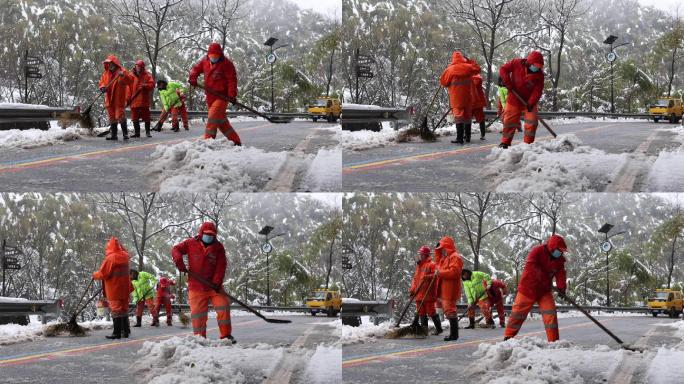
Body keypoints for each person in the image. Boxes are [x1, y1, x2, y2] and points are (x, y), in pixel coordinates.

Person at [172, 221, 235, 343]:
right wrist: (178, 260)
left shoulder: (218, 247)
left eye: (212, 234)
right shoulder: (190, 243)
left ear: (215, 235)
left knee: (223, 307)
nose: (209, 236)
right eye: (207, 234)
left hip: (214, 287)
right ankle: (200, 339)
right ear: (201, 233)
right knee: (198, 315)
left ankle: (226, 336)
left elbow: (221, 266)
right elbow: (176, 249)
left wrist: (216, 282)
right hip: (196, 286)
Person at [504, 234, 568, 342]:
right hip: (528, 289)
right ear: (552, 247)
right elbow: (531, 268)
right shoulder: (537, 251)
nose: (560, 253)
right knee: (517, 314)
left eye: (562, 251)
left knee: (550, 313)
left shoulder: (560, 260)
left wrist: (562, 288)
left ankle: (554, 342)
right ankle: (508, 337)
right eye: (559, 250)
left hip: (544, 291)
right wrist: (544, 278)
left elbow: (561, 273)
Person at [188, 42, 242, 145]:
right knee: (221, 122)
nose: (213, 58)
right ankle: (236, 141)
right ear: (208, 55)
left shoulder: (227, 64)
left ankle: (208, 142)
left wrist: (232, 95)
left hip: (222, 97)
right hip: (210, 96)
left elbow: (232, 80)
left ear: (220, 55)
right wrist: (193, 78)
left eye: (215, 56)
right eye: (211, 56)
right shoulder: (204, 61)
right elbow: (196, 69)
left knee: (212, 118)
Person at [498, 51, 545, 148]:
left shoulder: (540, 75)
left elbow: (537, 91)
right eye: (535, 65)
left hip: (529, 101)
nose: (536, 68)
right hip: (514, 98)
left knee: (532, 122)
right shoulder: (516, 63)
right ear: (529, 62)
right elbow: (503, 69)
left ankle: (528, 144)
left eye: (539, 67)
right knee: (509, 121)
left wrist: (531, 102)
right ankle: (505, 142)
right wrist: (507, 82)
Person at [92, 237, 132, 340]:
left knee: (116, 310)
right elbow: (125, 251)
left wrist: (94, 275)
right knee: (123, 309)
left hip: (114, 288)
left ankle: (116, 332)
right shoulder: (125, 256)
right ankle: (125, 331)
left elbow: (103, 273)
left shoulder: (111, 258)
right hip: (125, 288)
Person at [439, 51, 481, 145]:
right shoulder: (468, 67)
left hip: (456, 98)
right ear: (462, 58)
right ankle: (468, 137)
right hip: (468, 97)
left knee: (459, 117)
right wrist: (470, 61)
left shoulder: (449, 69)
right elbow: (478, 69)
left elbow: (443, 82)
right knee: (467, 117)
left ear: (453, 59)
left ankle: (459, 138)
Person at [434, 236, 463, 341]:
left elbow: (455, 273)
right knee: (448, 310)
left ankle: (454, 335)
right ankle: (453, 334)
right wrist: (437, 250)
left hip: (450, 289)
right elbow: (437, 263)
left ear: (447, 246)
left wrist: (440, 273)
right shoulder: (446, 258)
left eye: (443, 248)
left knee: (450, 310)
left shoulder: (455, 257)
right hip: (445, 288)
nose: (442, 250)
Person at [99, 55, 133, 141]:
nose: (110, 65)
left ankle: (125, 134)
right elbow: (102, 82)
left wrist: (123, 75)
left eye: (111, 63)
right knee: (112, 117)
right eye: (108, 63)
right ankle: (114, 135)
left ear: (115, 63)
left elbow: (130, 81)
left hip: (119, 99)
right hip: (109, 99)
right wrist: (102, 87)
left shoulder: (122, 71)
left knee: (120, 116)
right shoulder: (106, 74)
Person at [409, 245, 441, 335]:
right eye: (419, 254)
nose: (419, 256)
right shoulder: (418, 266)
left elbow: (437, 274)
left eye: (421, 254)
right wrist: (412, 290)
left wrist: (428, 276)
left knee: (431, 312)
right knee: (421, 312)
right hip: (419, 293)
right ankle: (424, 330)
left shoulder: (431, 264)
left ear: (425, 255)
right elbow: (415, 280)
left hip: (428, 293)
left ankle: (439, 329)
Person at [127, 60, 155, 138]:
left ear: (143, 68)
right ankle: (137, 133)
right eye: (137, 66)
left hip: (144, 100)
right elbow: (128, 88)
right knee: (134, 118)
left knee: (146, 117)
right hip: (134, 100)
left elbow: (152, 84)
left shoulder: (147, 75)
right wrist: (128, 99)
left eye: (140, 67)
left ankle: (148, 132)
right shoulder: (131, 75)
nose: (138, 68)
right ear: (135, 66)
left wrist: (145, 85)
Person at [471, 73, 487, 141]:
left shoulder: (475, 78)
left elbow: (474, 84)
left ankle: (466, 135)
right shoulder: (477, 77)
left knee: (468, 118)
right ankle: (482, 134)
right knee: (480, 119)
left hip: (474, 102)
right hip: (477, 102)